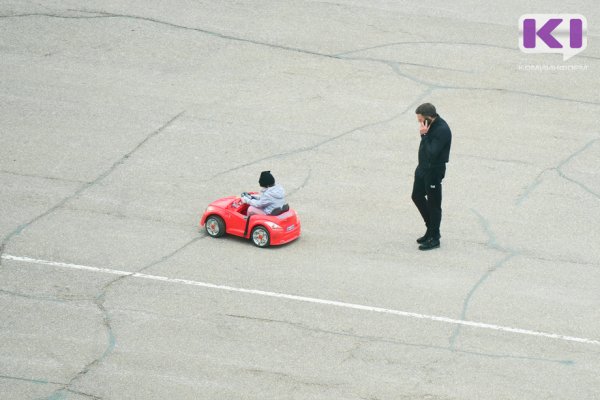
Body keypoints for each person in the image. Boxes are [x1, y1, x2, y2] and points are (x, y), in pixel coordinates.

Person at [411, 103, 452, 251]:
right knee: (416, 196)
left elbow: (432, 152)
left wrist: (424, 135)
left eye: (420, 119)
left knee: (434, 204)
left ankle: (435, 237)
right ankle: (431, 229)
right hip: (422, 168)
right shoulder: (429, 125)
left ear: (429, 117)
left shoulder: (442, 130)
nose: (419, 122)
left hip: (434, 171)